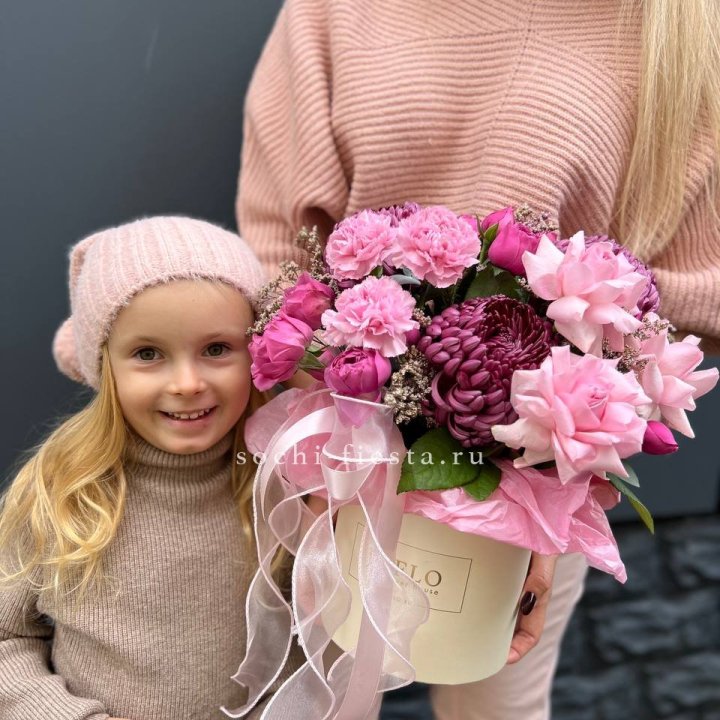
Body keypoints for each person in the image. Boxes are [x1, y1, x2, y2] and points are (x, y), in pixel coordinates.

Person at [235, 0, 720, 718]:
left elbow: (692, 300)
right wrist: (329, 457)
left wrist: (548, 500)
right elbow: (277, 249)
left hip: (536, 480)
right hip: (343, 456)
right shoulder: (333, 11)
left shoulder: (680, 30)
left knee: (496, 704)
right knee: (318, 696)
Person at [0, 217, 300, 719]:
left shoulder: (283, 486)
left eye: (216, 349)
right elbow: (5, 636)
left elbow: (312, 646)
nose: (187, 383)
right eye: (147, 354)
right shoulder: (64, 489)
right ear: (104, 366)